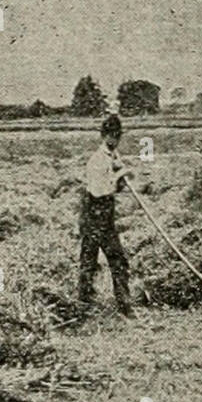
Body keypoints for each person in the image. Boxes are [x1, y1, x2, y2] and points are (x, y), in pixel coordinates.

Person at [78, 114, 134, 317]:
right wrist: (119, 175)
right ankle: (84, 306)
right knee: (93, 262)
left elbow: (113, 187)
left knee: (115, 261)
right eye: (112, 136)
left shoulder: (112, 157)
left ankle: (122, 305)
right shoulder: (97, 160)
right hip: (93, 217)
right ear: (104, 136)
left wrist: (121, 175)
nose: (116, 140)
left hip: (106, 217)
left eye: (118, 136)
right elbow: (99, 191)